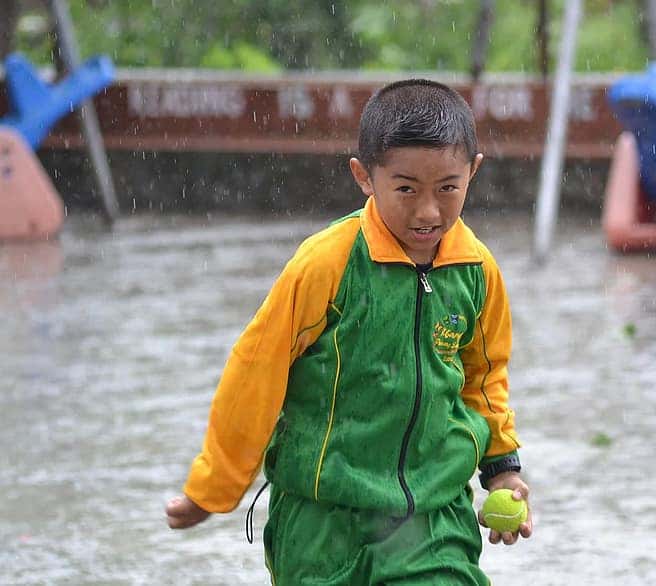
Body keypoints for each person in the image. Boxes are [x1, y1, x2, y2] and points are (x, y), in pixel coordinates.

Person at [165, 78, 532, 585]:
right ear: (364, 177)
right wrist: (216, 486)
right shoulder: (327, 265)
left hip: (432, 514)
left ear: (474, 170)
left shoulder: (476, 270)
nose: (428, 211)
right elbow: (256, 371)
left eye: (448, 188)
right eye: (405, 188)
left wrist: (502, 468)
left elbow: (483, 379)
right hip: (323, 518)